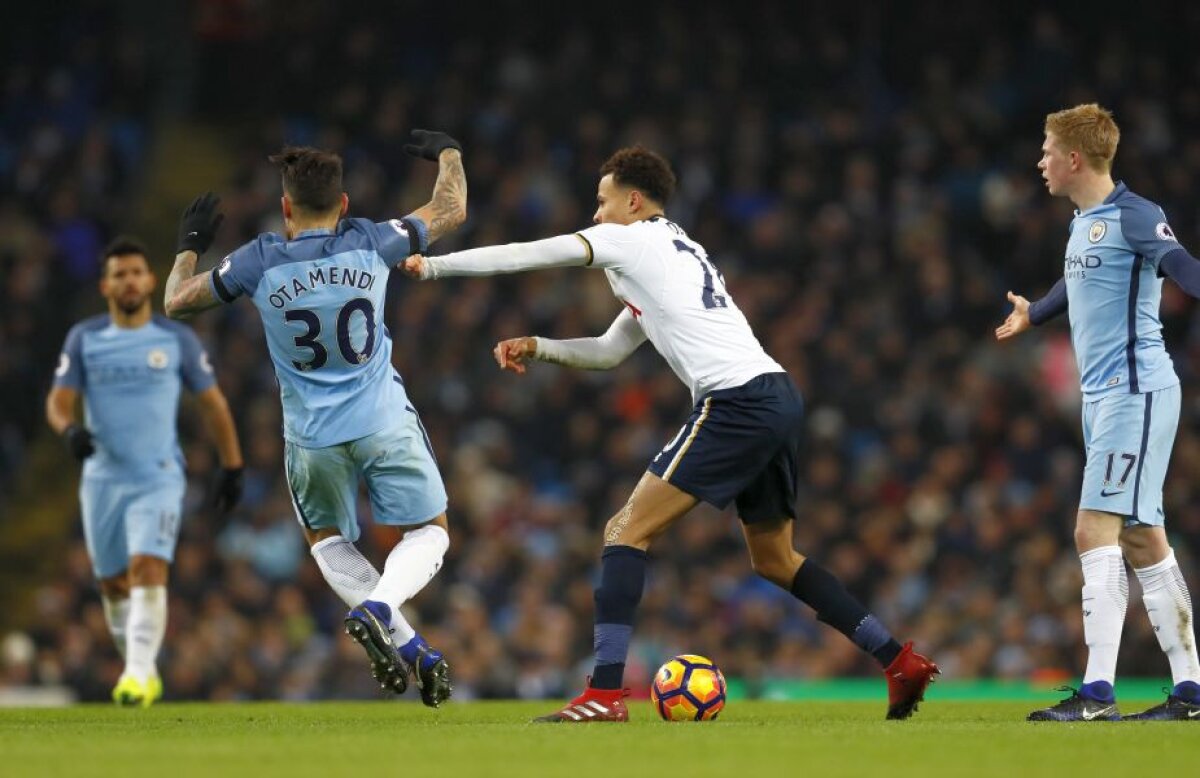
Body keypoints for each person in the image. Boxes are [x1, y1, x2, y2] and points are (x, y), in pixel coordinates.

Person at [404, 146, 939, 721]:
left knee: (623, 531)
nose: (596, 213)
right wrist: (540, 346)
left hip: (734, 400)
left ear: (633, 201)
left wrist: (435, 266)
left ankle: (606, 693)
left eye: (602, 201)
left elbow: (534, 253)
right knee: (775, 559)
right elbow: (609, 352)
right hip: (775, 394)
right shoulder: (673, 249)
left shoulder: (630, 240)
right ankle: (898, 659)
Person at [161, 130, 467, 707]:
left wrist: (188, 246)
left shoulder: (256, 260)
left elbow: (176, 301)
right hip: (382, 418)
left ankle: (410, 645)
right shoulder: (375, 242)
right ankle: (382, 611)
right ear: (344, 203)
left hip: (311, 437)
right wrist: (448, 153)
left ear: (284, 207)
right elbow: (452, 207)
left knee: (327, 541)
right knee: (429, 533)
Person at [997, 103, 1200, 721]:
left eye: (1047, 150)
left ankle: (1097, 694)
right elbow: (1077, 283)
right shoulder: (1086, 220)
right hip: (1108, 397)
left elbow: (1184, 269)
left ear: (1075, 158)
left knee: (1093, 529)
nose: (1041, 161)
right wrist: (1036, 312)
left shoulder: (1138, 216)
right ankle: (1191, 692)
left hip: (1134, 394)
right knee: (1143, 539)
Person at [46, 237, 245, 706]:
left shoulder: (175, 338)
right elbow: (58, 401)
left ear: (150, 280)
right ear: (105, 285)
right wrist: (68, 430)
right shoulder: (84, 338)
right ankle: (142, 669)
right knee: (114, 585)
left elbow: (213, 404)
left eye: (136, 272)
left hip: (158, 475)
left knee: (147, 567)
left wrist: (231, 465)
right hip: (101, 479)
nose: (130, 280)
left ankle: (134, 675)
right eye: (120, 274)